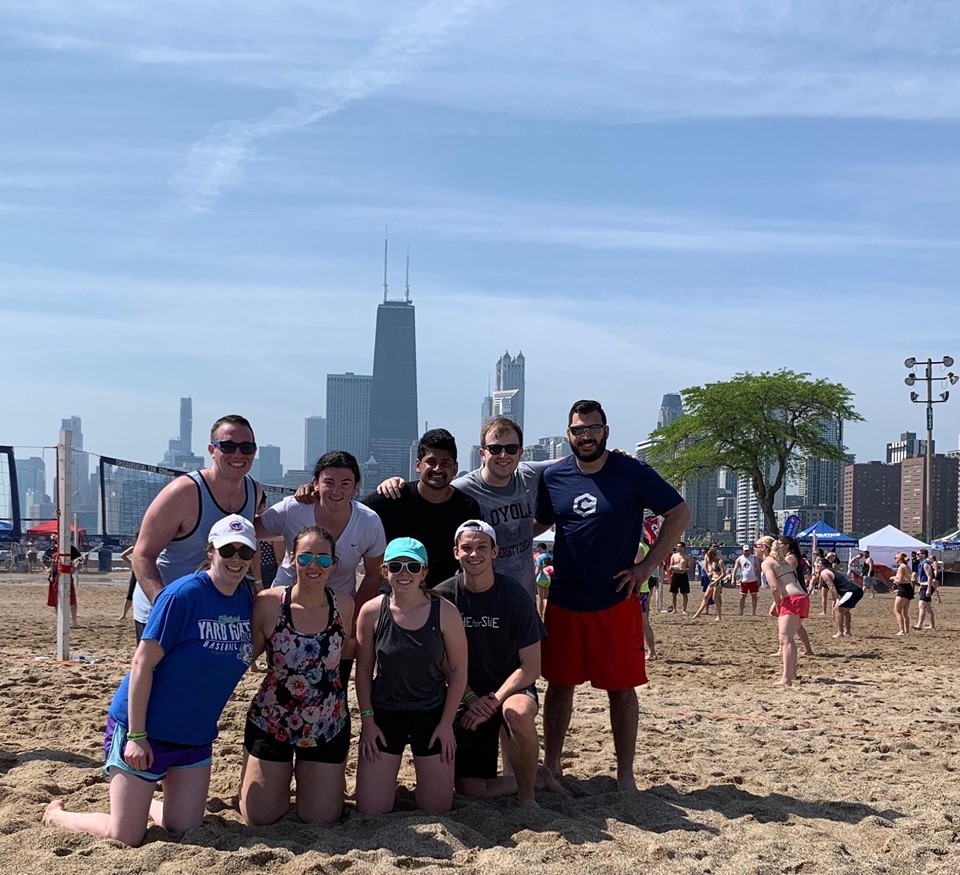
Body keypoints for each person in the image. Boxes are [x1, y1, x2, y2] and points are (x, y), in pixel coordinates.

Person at [42, 515, 256, 846]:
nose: (236, 559)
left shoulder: (247, 599)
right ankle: (57, 815)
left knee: (183, 828)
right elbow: (141, 665)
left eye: (245, 552)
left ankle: (143, 803)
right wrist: (136, 736)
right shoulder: (182, 595)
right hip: (145, 729)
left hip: (193, 737)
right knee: (126, 837)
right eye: (228, 550)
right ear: (211, 551)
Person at [536, 400, 689, 791]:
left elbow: (679, 513)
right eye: (578, 430)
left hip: (616, 600)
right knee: (559, 686)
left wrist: (648, 566)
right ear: (568, 434)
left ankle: (625, 775)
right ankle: (552, 766)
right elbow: (532, 524)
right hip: (565, 600)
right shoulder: (552, 476)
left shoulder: (632, 472)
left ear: (606, 431)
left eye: (593, 428)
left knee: (622, 690)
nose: (585, 436)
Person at [434, 520, 563, 806]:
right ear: (456, 552)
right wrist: (469, 696)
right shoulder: (444, 596)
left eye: (482, 547)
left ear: (495, 552)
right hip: (465, 693)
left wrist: (493, 701)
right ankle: (534, 777)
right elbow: (442, 659)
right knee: (469, 788)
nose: (473, 554)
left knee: (517, 713)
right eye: (466, 548)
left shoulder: (515, 595)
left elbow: (531, 667)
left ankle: (527, 799)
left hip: (509, 689)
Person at [239, 526, 354, 825]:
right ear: (292, 559)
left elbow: (353, 651)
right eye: (305, 558)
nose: (313, 566)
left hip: (326, 724)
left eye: (323, 559)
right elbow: (243, 657)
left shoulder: (344, 604)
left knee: (320, 819)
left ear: (333, 564)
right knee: (259, 818)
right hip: (272, 720)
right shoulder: (267, 603)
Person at [377, 418, 552, 601]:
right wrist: (395, 485)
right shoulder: (462, 491)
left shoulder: (528, 474)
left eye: (511, 449)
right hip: (480, 599)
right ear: (482, 453)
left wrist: (527, 531)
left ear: (521, 452)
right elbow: (431, 489)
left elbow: (572, 462)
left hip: (525, 598)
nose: (503, 455)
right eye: (495, 449)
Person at [354, 538, 467, 815]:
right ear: (384, 571)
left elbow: (458, 671)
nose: (404, 573)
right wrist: (368, 722)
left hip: (431, 715)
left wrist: (446, 725)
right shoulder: (371, 611)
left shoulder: (445, 612)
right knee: (370, 811)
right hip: (385, 714)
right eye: (396, 566)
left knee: (436, 810)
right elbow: (364, 671)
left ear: (424, 572)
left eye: (412, 566)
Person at [132, 414, 262, 643]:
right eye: (228, 446)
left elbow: (262, 532)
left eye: (246, 447)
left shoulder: (254, 490)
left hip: (214, 614)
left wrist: (308, 499)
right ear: (212, 450)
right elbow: (142, 554)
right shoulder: (183, 493)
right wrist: (164, 604)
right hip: (166, 609)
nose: (238, 454)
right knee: (162, 679)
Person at [257, 451, 385, 645]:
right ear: (315, 483)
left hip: (338, 607)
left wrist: (353, 616)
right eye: (329, 482)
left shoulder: (369, 522)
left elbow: (374, 574)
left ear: (356, 488)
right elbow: (249, 532)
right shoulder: (293, 509)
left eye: (345, 484)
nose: (336, 491)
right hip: (287, 605)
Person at [363, 429, 481, 588]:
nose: (438, 469)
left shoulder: (466, 507)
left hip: (442, 598)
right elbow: (351, 514)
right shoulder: (393, 496)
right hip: (392, 596)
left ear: (455, 468)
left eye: (445, 463)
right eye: (431, 462)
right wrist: (317, 497)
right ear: (418, 465)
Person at [758, 535, 809, 686]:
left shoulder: (767, 562)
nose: (755, 549)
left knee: (785, 639)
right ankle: (792, 674)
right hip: (802, 597)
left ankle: (786, 678)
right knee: (789, 639)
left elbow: (774, 587)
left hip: (791, 599)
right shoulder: (781, 560)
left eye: (757, 546)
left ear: (764, 548)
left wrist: (777, 603)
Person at [818, 557, 863, 638]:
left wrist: (836, 599)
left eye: (817, 565)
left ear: (821, 566)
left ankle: (840, 633)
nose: (817, 567)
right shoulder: (832, 570)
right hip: (857, 590)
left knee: (837, 609)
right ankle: (848, 632)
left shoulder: (824, 572)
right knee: (845, 611)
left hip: (851, 591)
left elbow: (831, 586)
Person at [45, 532, 81, 628]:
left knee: (71, 599)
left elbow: (80, 559)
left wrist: (75, 568)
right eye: (53, 534)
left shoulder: (70, 548)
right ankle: (60, 621)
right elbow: (44, 560)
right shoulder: (51, 549)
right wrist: (47, 567)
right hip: (54, 577)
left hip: (67, 576)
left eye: (56, 534)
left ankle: (74, 622)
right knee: (57, 600)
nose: (54, 535)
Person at [691, 547, 725, 621]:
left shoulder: (720, 562)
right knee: (706, 597)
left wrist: (716, 581)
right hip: (712, 580)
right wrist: (710, 573)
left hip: (718, 581)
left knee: (715, 598)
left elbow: (723, 574)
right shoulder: (713, 562)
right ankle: (698, 613)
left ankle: (719, 616)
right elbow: (714, 571)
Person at [731, 544, 760, 616]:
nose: (747, 552)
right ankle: (741, 611)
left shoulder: (754, 558)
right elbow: (735, 569)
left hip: (753, 580)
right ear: (743, 551)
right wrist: (733, 579)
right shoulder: (740, 559)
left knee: (754, 596)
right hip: (744, 580)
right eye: (745, 551)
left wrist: (759, 579)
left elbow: (758, 569)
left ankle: (754, 612)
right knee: (742, 596)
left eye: (748, 550)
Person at [891, 551, 914, 636]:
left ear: (900, 559)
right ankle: (907, 631)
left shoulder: (901, 567)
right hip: (908, 588)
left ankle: (902, 630)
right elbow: (907, 579)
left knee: (897, 611)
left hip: (903, 589)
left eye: (896, 558)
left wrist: (893, 578)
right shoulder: (907, 567)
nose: (895, 559)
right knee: (905, 612)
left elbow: (900, 580)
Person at [915, 549, 936, 630]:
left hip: (927, 586)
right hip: (924, 586)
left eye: (918, 554)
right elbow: (923, 578)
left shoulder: (926, 564)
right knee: (927, 607)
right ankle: (932, 625)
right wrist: (920, 587)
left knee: (921, 605)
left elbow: (930, 577)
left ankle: (919, 624)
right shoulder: (921, 564)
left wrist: (928, 589)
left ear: (923, 555)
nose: (917, 555)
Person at [668, 542, 691, 614]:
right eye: (677, 546)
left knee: (684, 593)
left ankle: (684, 609)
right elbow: (670, 566)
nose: (678, 548)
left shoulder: (687, 557)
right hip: (675, 575)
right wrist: (672, 568)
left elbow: (689, 568)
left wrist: (683, 569)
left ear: (683, 547)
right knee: (674, 593)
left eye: (680, 546)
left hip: (683, 575)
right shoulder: (674, 556)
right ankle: (674, 609)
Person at [534, 542, 553, 619]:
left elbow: (537, 571)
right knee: (547, 598)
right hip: (549, 578)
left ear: (540, 548)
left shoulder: (539, 558)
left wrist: (533, 577)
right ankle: (547, 614)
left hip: (541, 578)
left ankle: (540, 615)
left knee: (540, 598)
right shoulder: (550, 556)